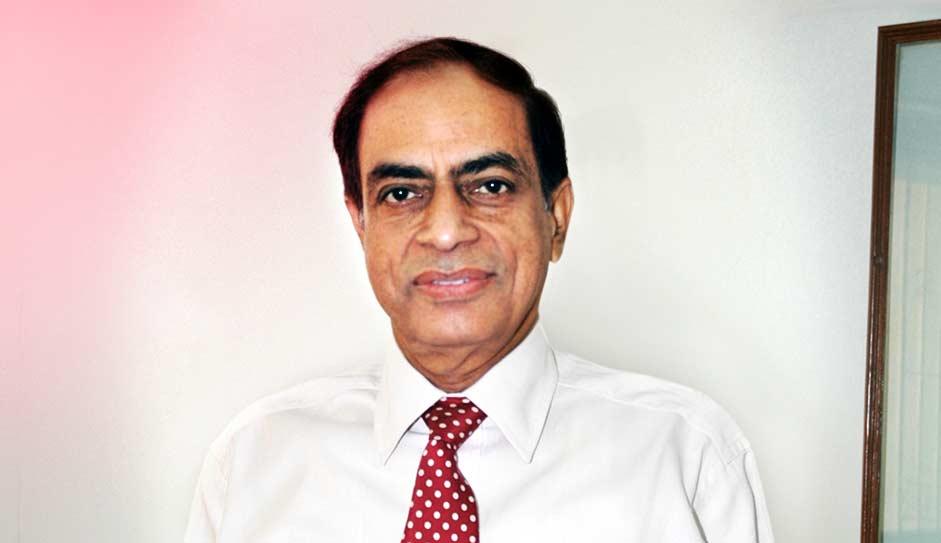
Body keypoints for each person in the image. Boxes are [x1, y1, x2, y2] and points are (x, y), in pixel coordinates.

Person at [184, 37, 774, 542]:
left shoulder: (687, 458)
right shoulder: (253, 465)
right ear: (361, 224)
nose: (445, 231)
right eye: (400, 193)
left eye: (490, 186)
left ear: (556, 217)